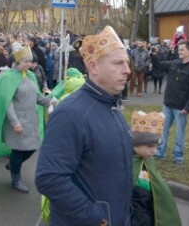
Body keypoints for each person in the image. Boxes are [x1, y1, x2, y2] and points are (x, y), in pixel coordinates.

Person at [35, 26, 133, 226]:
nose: (127, 70)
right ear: (93, 66)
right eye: (118, 63)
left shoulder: (111, 105)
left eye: (127, 63)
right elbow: (50, 178)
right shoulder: (70, 114)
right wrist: (96, 218)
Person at [0, 43, 54, 193]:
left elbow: (37, 97)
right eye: (27, 61)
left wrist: (51, 101)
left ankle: (13, 166)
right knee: (19, 150)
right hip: (17, 120)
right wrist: (15, 122)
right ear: (18, 62)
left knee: (32, 148)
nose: (30, 64)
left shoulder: (29, 76)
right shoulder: (8, 77)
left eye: (31, 61)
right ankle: (16, 179)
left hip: (31, 119)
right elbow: (7, 103)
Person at [152, 40, 189, 165]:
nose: (178, 52)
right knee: (163, 131)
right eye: (178, 50)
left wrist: (188, 108)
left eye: (181, 50)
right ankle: (160, 152)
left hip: (181, 108)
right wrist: (153, 55)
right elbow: (159, 65)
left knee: (180, 133)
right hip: (167, 105)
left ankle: (178, 156)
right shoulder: (174, 63)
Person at [130, 111, 182, 226]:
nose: (154, 151)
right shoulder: (127, 162)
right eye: (149, 146)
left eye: (156, 146)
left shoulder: (149, 162)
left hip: (148, 216)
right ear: (136, 143)